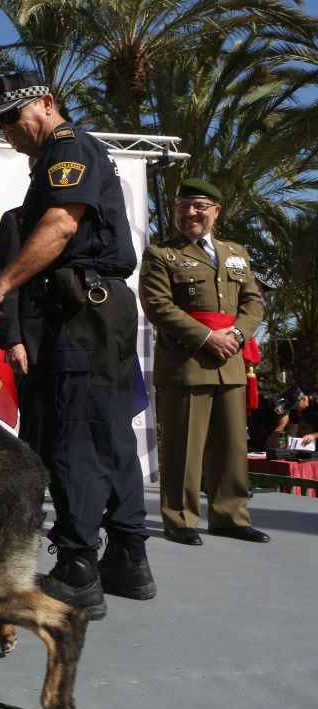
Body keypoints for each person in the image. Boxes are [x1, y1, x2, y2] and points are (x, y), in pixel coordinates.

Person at [0, 72, 156, 620]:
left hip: (83, 312)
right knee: (108, 434)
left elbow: (60, 224)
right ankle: (128, 553)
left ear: (47, 104)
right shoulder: (72, 153)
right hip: (97, 311)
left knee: (76, 439)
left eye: (12, 115)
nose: (5, 128)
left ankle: (77, 566)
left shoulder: (66, 150)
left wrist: (0, 285)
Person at [138, 178, 270, 545]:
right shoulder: (160, 253)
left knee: (231, 446)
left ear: (216, 211)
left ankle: (230, 515)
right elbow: (158, 306)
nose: (190, 214)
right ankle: (179, 519)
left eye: (198, 206)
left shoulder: (235, 252)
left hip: (230, 360)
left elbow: (252, 302)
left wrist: (239, 335)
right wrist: (206, 338)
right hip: (186, 362)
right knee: (183, 447)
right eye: (183, 207)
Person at [0, 205, 44, 447]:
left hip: (71, 339)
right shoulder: (16, 219)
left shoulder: (74, 215)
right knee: (36, 424)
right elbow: (6, 284)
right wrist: (13, 339)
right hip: (31, 342)